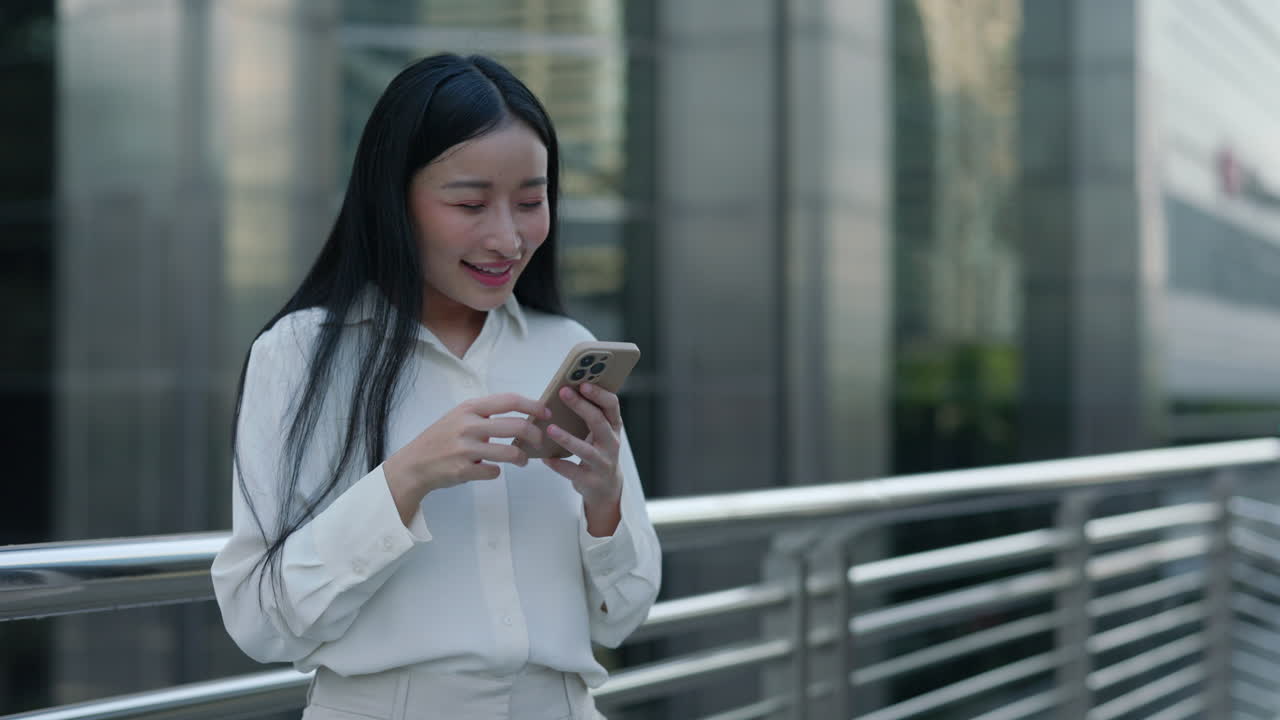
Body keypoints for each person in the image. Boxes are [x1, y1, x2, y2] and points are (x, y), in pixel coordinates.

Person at [211, 53, 661, 720]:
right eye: (470, 203)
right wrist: (406, 479)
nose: (508, 237)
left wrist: (605, 503)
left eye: (532, 202)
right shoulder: (301, 354)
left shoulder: (563, 346)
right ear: (393, 199)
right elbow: (261, 621)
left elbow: (621, 617)